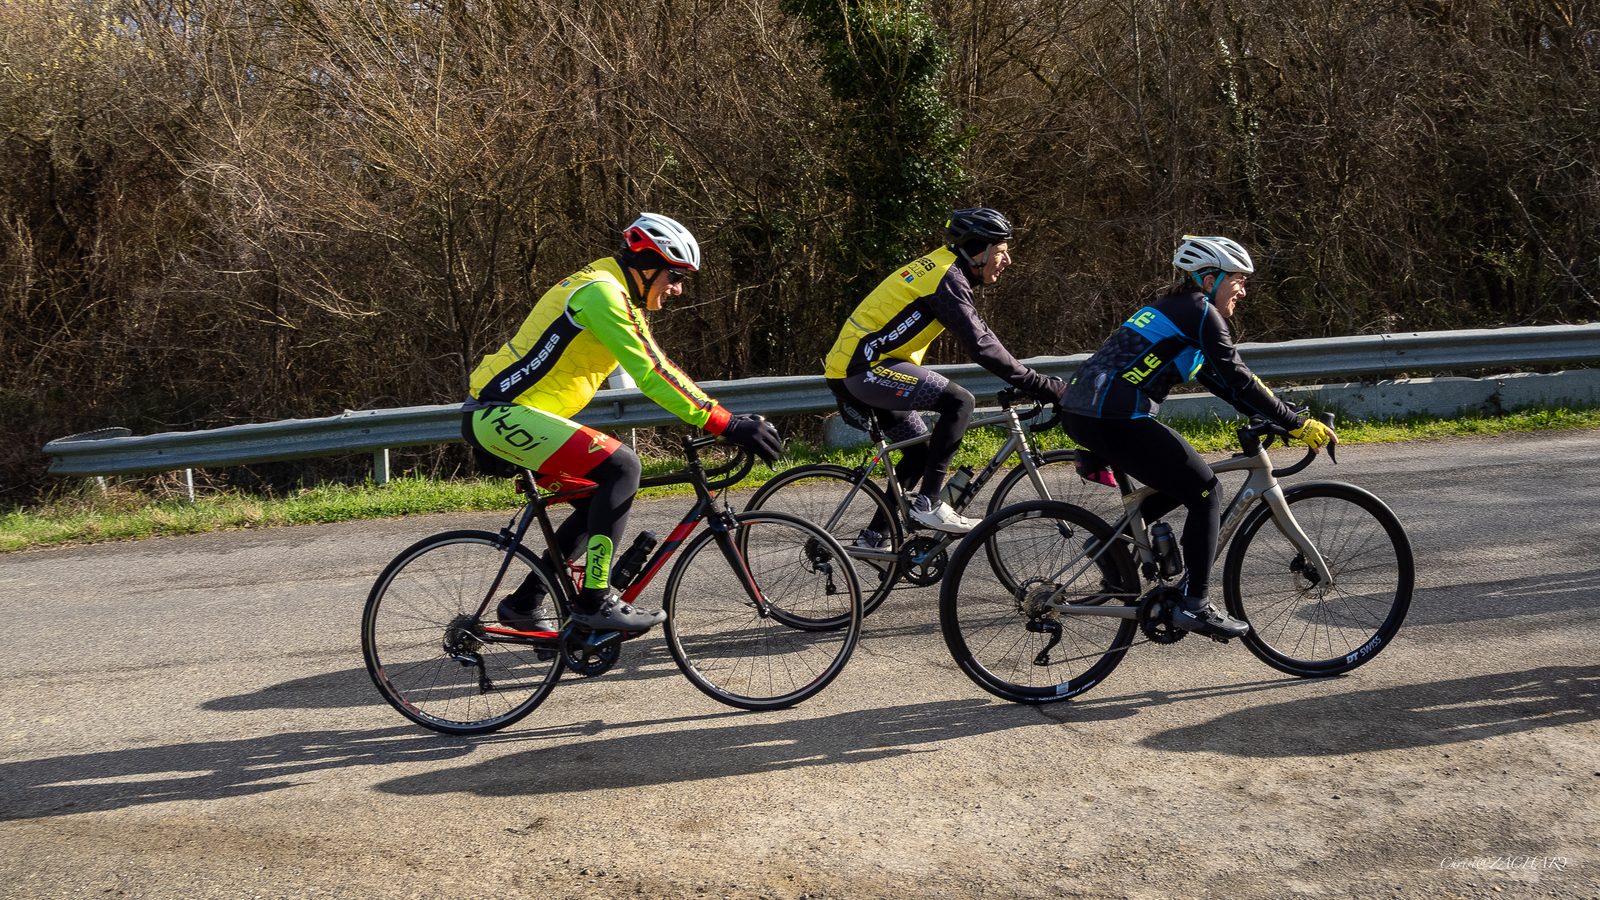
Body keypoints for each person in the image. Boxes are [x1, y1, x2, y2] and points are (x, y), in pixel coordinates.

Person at [461, 213, 782, 633]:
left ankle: (525, 603)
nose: (678, 288)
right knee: (623, 466)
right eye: (675, 275)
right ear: (647, 265)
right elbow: (652, 372)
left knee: (598, 500)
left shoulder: (614, 291)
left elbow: (656, 366)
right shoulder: (602, 294)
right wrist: (726, 423)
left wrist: (724, 419)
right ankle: (595, 600)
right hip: (498, 413)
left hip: (515, 415)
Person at [1060, 235, 1337, 638]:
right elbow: (1240, 379)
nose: (1243, 291)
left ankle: (1111, 548)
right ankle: (1196, 605)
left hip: (1085, 411)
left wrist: (1274, 414)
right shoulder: (1201, 313)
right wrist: (1295, 423)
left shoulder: (1174, 309)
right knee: (1207, 491)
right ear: (1210, 280)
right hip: (1114, 415)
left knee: (1183, 481)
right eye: (1238, 281)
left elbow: (1222, 382)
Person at [823, 208, 1066, 537]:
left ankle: (875, 540)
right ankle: (929, 504)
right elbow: (981, 346)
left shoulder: (944, 268)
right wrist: (1040, 384)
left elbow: (982, 336)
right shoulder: (945, 277)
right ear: (978, 251)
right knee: (960, 402)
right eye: (1001, 251)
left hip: (858, 367)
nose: (1007, 261)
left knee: (918, 455)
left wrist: (1035, 381)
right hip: (864, 369)